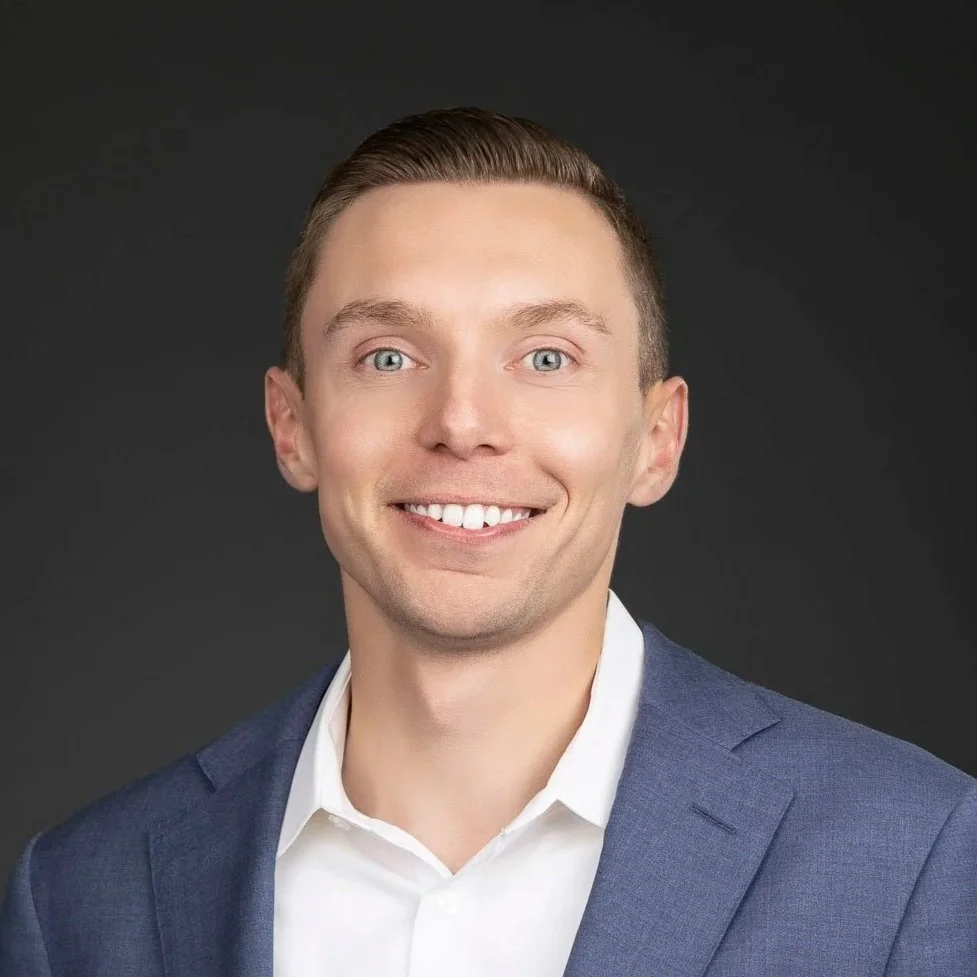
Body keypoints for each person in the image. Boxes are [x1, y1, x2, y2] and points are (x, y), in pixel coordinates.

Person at [2, 107, 975, 977]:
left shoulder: (912, 852)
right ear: (292, 423)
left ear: (656, 439)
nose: (462, 421)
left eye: (545, 356)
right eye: (387, 354)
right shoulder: (82, 897)